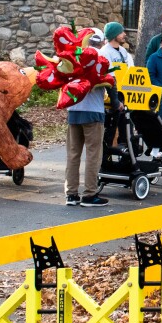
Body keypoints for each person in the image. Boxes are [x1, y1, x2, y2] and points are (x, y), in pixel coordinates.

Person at [64, 32, 115, 207]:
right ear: (101, 43)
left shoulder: (74, 58)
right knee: (93, 154)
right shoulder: (101, 58)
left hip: (73, 111)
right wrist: (116, 104)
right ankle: (89, 194)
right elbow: (111, 82)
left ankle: (71, 194)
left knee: (73, 154)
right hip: (93, 112)